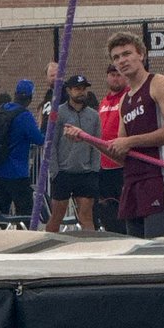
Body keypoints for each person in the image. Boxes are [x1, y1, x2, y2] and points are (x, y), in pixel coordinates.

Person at [102, 31, 164, 238]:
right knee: (136, 251)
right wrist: (88, 140)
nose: (122, 60)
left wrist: (130, 141)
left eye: (127, 54)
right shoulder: (125, 100)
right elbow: (121, 155)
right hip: (131, 182)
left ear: (141, 54)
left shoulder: (158, 83)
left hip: (157, 177)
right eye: (116, 57)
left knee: (155, 249)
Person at [0, 79, 45, 217]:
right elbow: (39, 139)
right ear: (30, 97)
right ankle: (22, 232)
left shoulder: (3, 109)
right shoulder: (24, 116)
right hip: (16, 172)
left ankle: (2, 230)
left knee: (2, 210)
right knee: (25, 211)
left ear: (15, 94)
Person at [49, 75, 100, 232]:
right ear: (69, 90)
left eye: (84, 89)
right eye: (77, 89)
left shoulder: (94, 115)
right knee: (57, 216)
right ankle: (49, 243)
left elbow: (97, 144)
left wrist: (94, 170)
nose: (81, 92)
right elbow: (51, 143)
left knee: (86, 216)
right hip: (63, 172)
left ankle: (88, 245)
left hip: (86, 173)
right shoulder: (58, 113)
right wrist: (55, 171)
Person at [95, 64, 128, 233]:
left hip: (121, 164)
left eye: (119, 74)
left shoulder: (128, 98)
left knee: (123, 207)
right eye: (112, 75)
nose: (116, 78)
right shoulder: (104, 102)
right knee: (106, 209)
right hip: (104, 165)